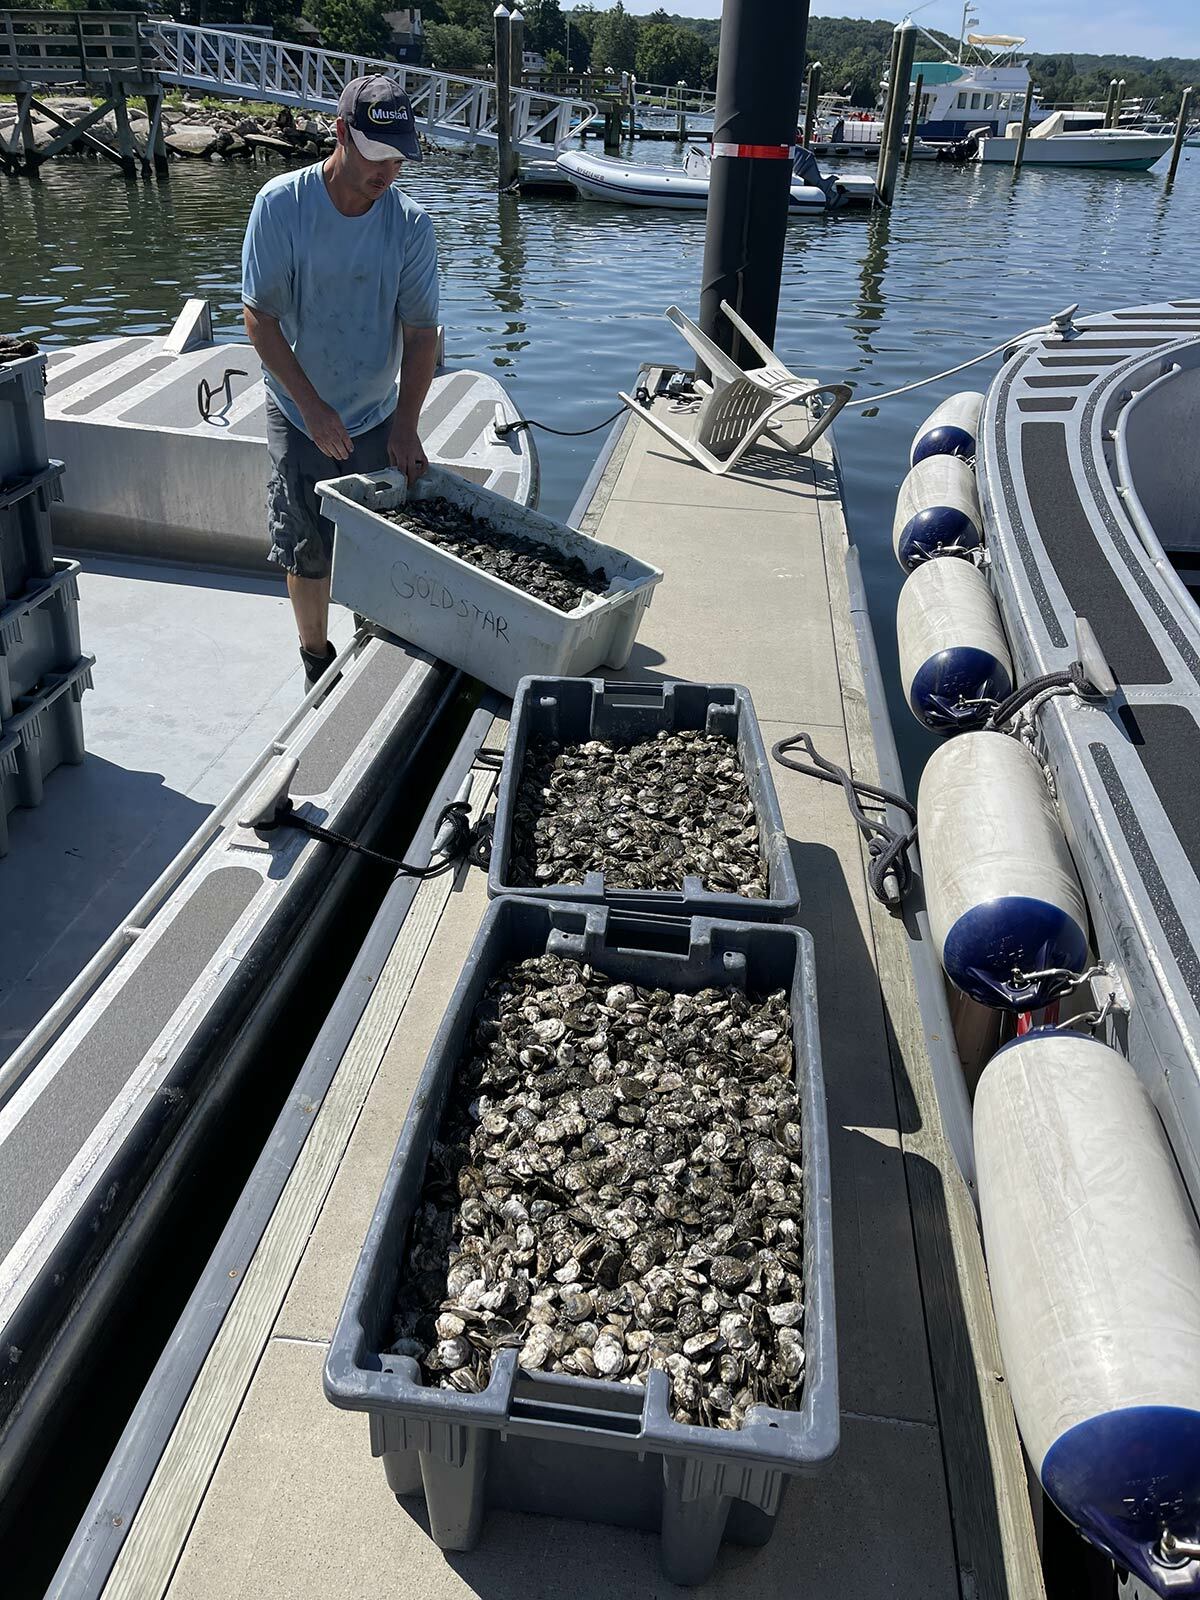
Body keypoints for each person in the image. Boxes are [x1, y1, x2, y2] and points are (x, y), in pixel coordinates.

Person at [241, 75, 440, 684]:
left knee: (379, 541)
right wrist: (313, 407)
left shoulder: (410, 226)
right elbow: (260, 315)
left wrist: (406, 425)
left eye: (399, 156)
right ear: (341, 134)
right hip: (300, 406)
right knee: (306, 544)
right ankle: (315, 659)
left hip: (377, 409)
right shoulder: (281, 204)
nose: (389, 171)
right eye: (377, 154)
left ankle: (372, 650)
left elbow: (421, 333)